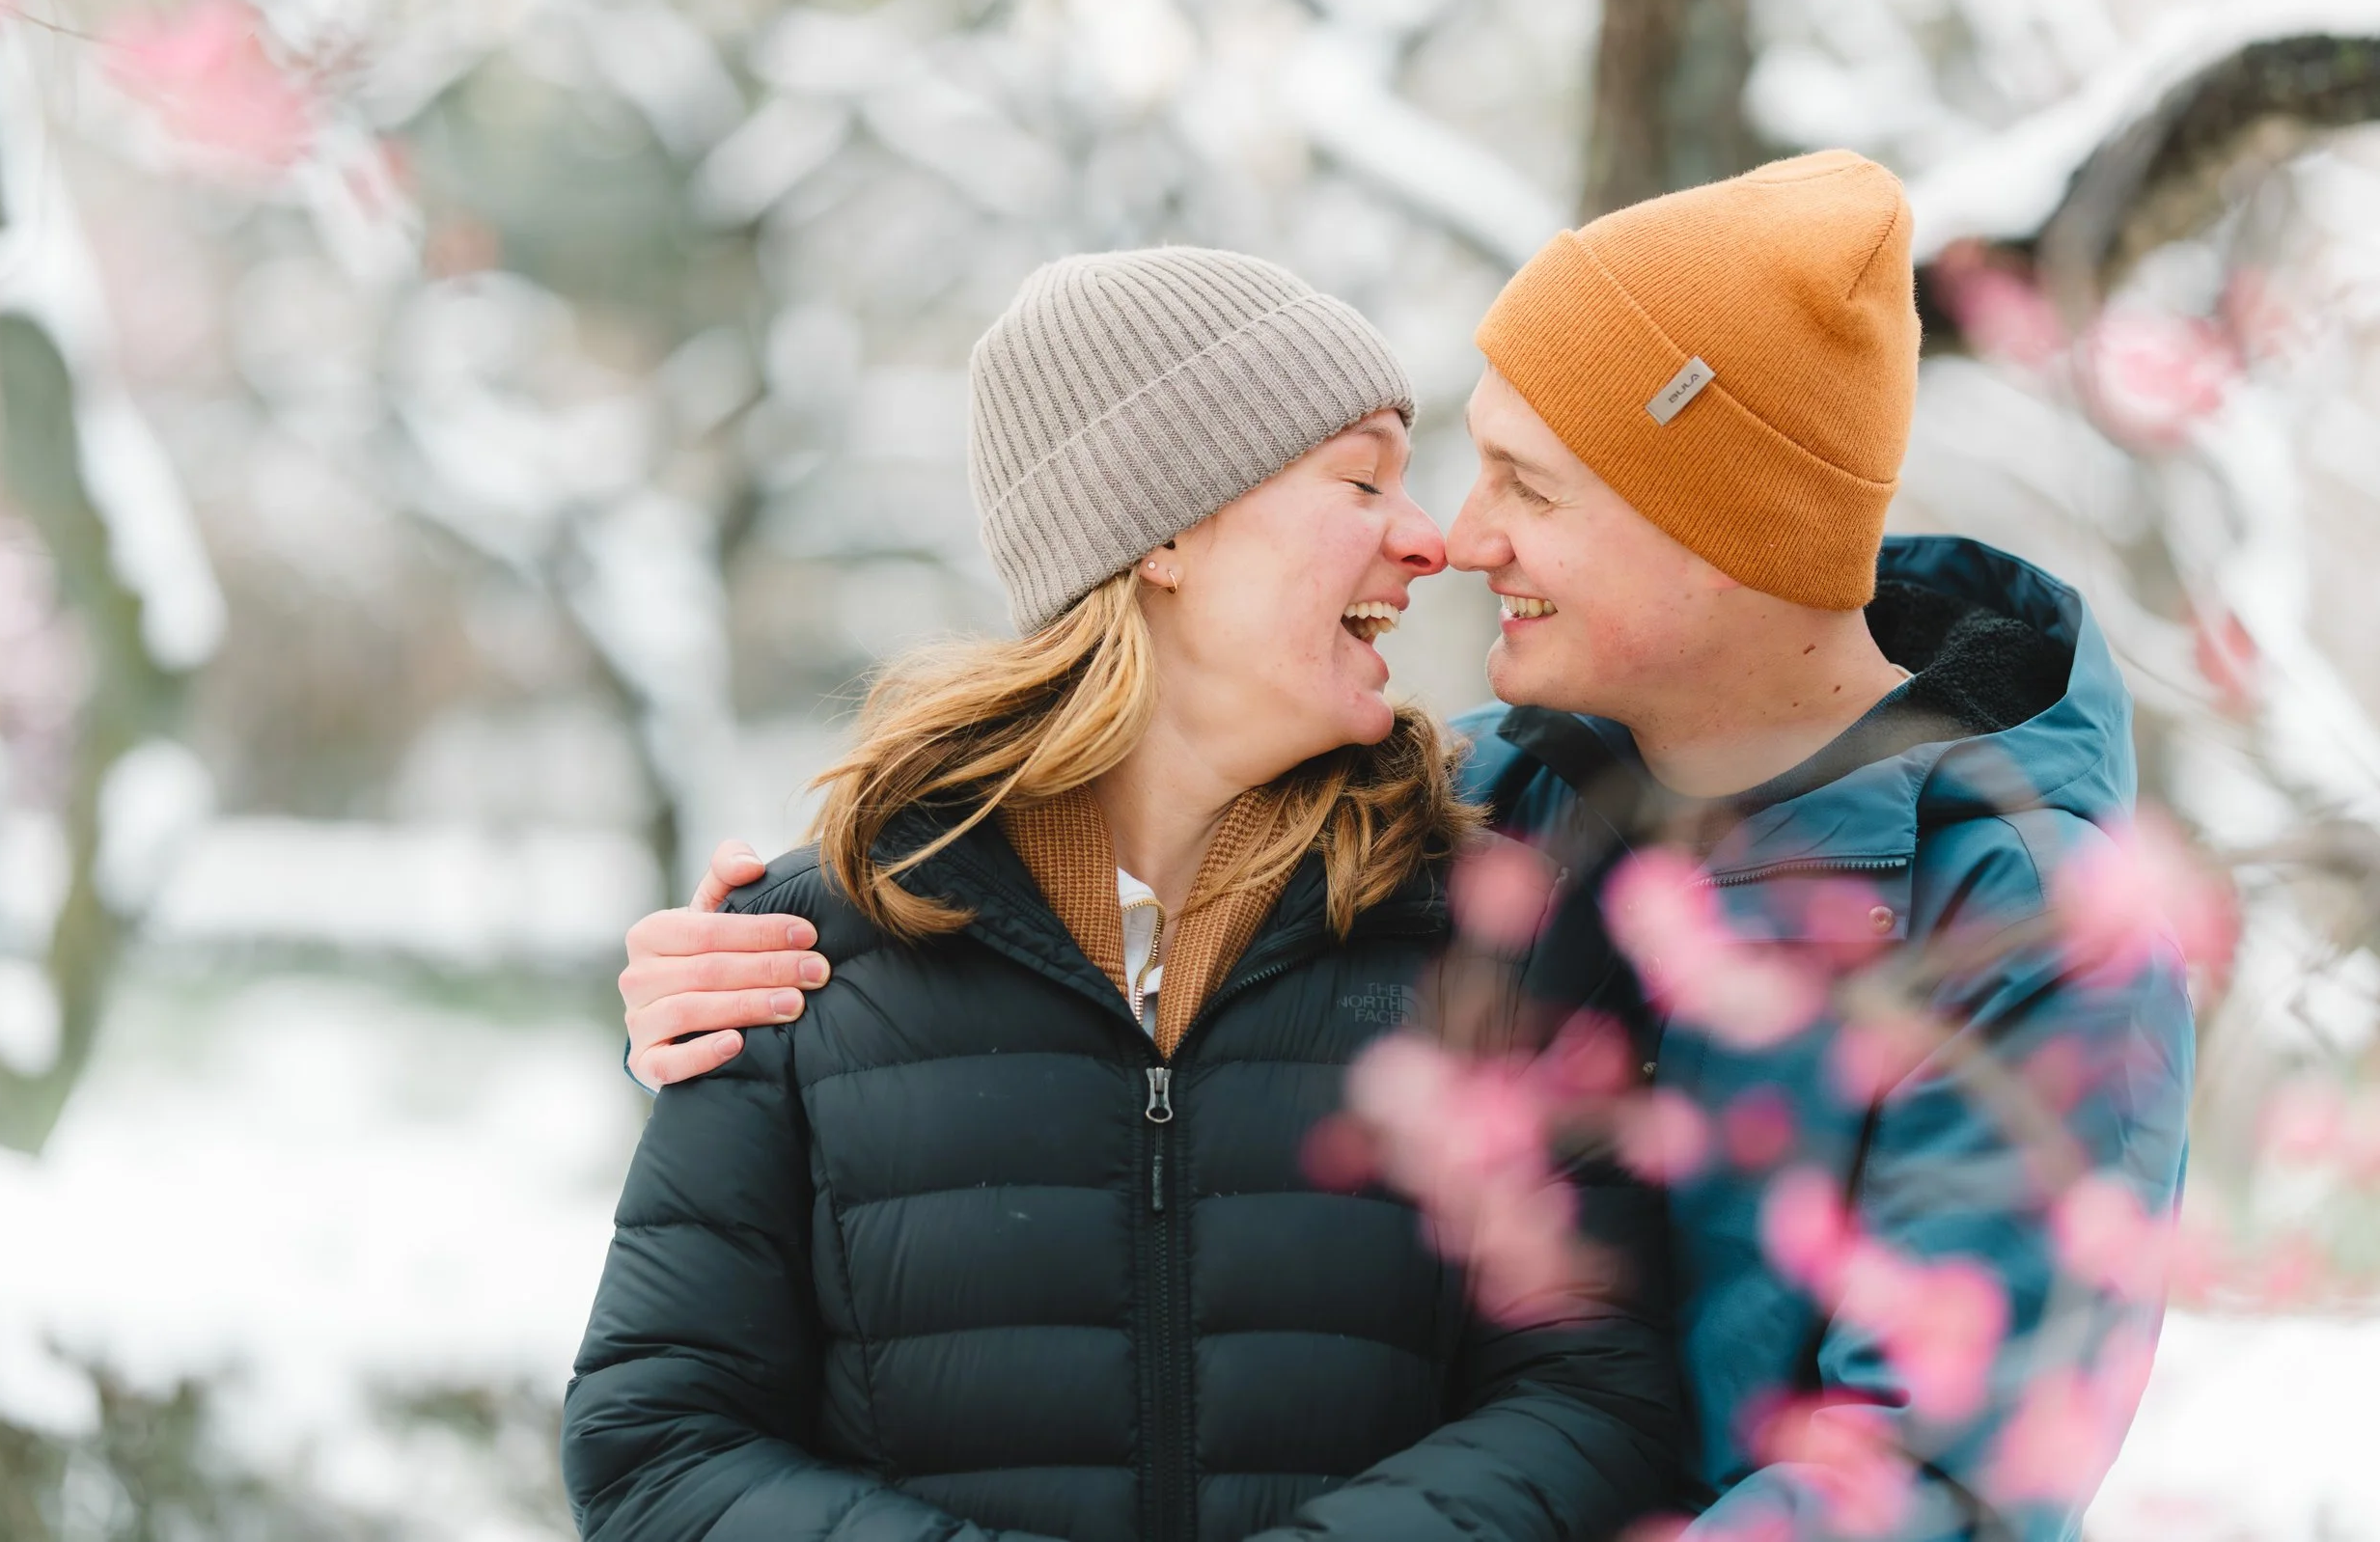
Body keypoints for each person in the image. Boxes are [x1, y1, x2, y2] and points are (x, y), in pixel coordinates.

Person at [621, 154, 2197, 1541]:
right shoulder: (1492, 818)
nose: (1462, 531)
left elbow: (1939, 1473)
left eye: (1531, 482)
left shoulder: (2026, 923)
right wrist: (741, 973)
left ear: (1722, 525)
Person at [564, 247, 1686, 1542]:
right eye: (1363, 478)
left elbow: (1598, 1396)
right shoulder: (808, 957)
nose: (1428, 538)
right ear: (1164, 530)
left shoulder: (1492, 935)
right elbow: (654, 1448)